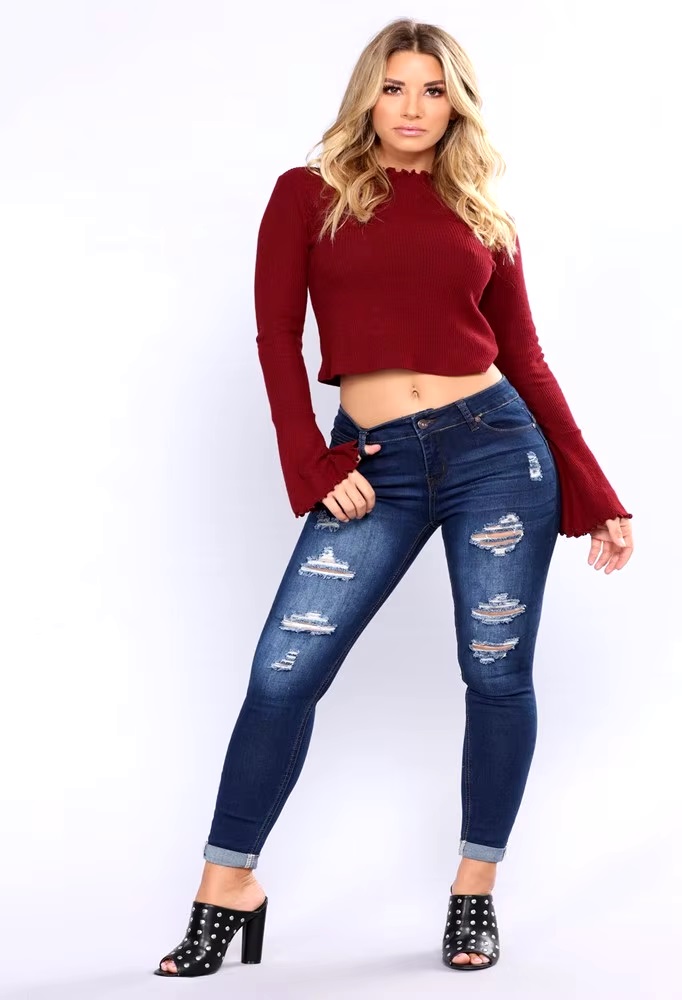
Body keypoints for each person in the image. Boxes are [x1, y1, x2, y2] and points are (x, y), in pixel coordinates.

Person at [154, 17, 634, 979]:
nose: (412, 106)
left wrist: (594, 487)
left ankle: (473, 890)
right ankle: (226, 883)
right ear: (366, 95)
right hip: (373, 462)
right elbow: (274, 338)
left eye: (432, 89)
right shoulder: (308, 194)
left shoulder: (481, 213)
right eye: (393, 86)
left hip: (496, 452)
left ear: (456, 103)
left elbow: (524, 357)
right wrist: (313, 465)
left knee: (494, 674)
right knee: (284, 672)